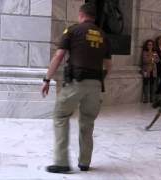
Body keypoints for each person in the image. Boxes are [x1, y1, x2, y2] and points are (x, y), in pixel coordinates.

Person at [41, 3, 112, 173]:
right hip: (95, 85)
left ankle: (61, 162)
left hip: (76, 82)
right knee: (87, 122)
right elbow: (108, 65)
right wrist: (97, 80)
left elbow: (59, 56)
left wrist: (47, 79)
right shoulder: (103, 35)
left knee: (60, 115)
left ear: (81, 15)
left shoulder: (73, 31)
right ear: (93, 17)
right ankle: (84, 162)